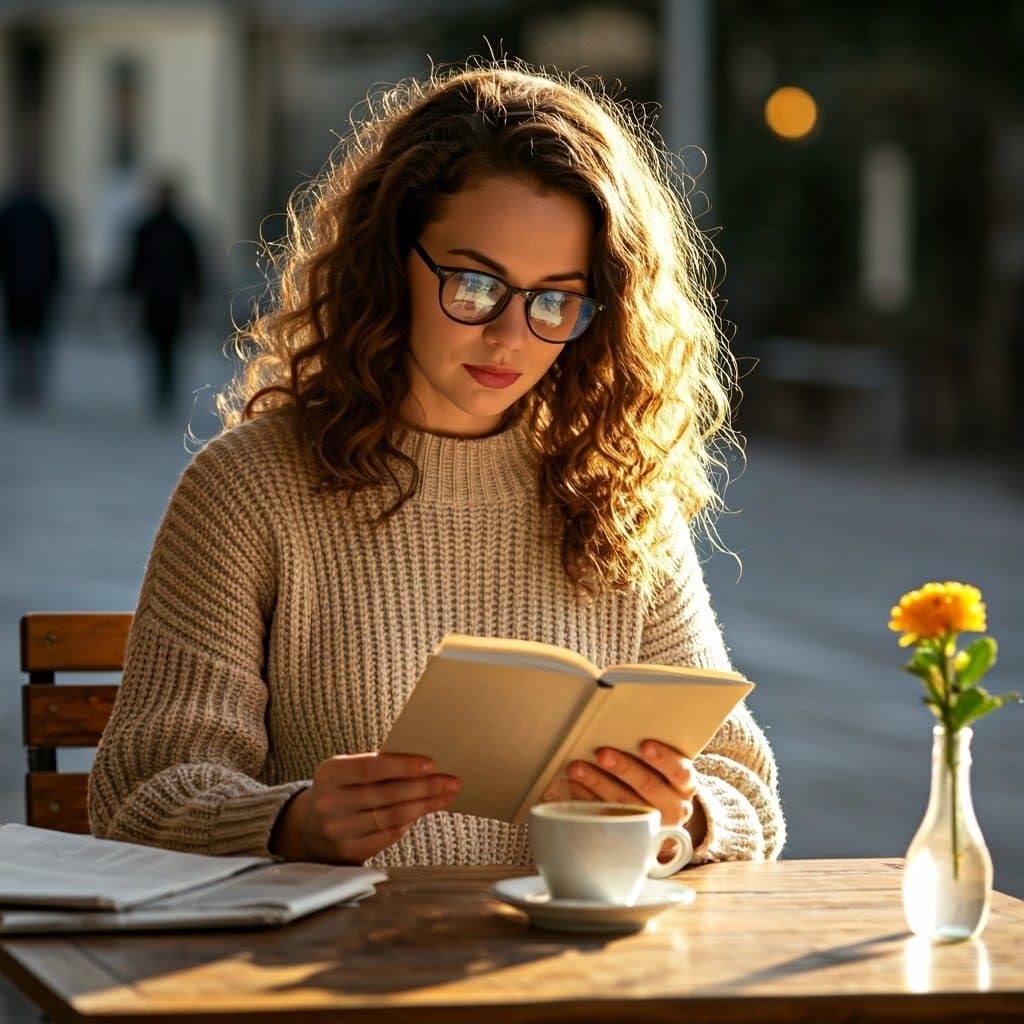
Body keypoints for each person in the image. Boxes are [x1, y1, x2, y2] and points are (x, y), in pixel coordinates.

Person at [89, 62, 786, 869]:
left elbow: (749, 795)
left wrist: (688, 814)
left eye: (555, 298)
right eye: (476, 283)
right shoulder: (249, 489)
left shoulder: (614, 485)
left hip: (572, 980)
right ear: (391, 261)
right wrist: (292, 824)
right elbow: (138, 797)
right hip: (337, 976)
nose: (511, 336)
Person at [126, 178, 202, 414]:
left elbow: (193, 267)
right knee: (165, 347)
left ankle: (164, 389)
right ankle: (164, 388)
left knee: (163, 346)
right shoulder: (177, 230)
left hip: (161, 298)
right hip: (168, 298)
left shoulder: (152, 229)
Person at [0, 169, 62, 405]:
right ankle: (28, 380)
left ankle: (23, 379)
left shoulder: (12, 211)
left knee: (22, 335)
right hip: (36, 285)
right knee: (32, 335)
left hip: (22, 284)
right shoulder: (42, 213)